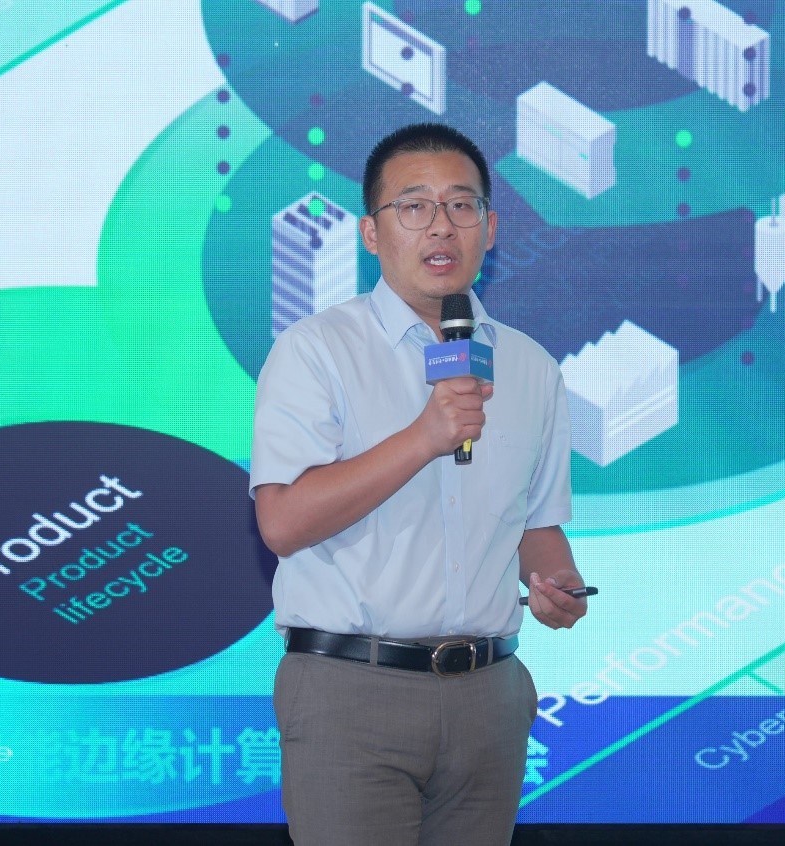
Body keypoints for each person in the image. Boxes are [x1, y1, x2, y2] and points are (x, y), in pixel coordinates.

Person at [249, 122, 588, 846]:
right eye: (413, 206)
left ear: (490, 228)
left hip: (489, 696)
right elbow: (282, 522)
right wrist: (424, 437)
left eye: (462, 205)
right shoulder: (316, 351)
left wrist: (556, 582)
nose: (441, 226)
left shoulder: (530, 367)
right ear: (372, 234)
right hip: (352, 690)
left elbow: (536, 524)